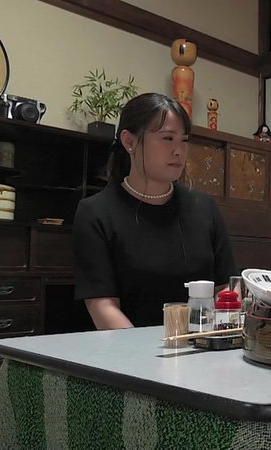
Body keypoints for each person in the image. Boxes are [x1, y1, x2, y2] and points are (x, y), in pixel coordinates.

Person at [73, 93, 236, 329]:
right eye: (167, 138)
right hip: (127, 347)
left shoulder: (204, 208)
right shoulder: (96, 213)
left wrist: (218, 333)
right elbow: (102, 306)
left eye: (184, 140)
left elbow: (226, 288)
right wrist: (141, 352)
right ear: (129, 141)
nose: (179, 151)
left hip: (201, 343)